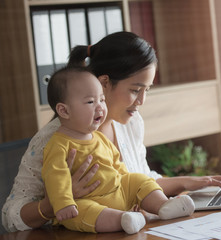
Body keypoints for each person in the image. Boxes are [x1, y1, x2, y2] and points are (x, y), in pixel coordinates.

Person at [2, 31, 221, 232]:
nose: (142, 100)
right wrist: (57, 200)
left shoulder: (131, 123)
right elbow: (10, 218)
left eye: (147, 89)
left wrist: (191, 182)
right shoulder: (52, 140)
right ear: (104, 83)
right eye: (136, 90)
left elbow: (137, 177)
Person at [42, 66, 194, 233]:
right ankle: (123, 220)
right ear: (64, 110)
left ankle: (163, 206)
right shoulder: (58, 145)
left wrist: (127, 187)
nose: (100, 107)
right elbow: (55, 177)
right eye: (91, 102)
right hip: (89, 200)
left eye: (101, 100)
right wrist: (65, 203)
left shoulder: (98, 137)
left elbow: (117, 165)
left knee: (138, 180)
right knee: (80, 211)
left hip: (117, 191)